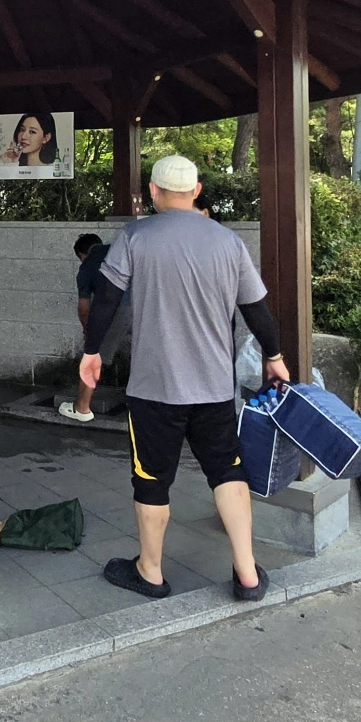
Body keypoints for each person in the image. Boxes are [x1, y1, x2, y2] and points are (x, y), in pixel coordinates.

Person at [79, 155, 289, 603]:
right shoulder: (227, 242)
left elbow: (106, 301)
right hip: (214, 389)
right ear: (196, 191)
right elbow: (256, 310)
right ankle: (247, 573)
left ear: (152, 192)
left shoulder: (135, 236)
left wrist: (92, 352)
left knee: (151, 479)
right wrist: (274, 356)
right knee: (227, 470)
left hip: (154, 390)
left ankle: (150, 572)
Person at [59, 233, 131, 424]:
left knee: (93, 354)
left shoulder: (87, 267)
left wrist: (89, 333)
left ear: (83, 254)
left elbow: (84, 309)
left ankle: (82, 407)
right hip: (148, 304)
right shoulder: (120, 251)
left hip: (117, 308)